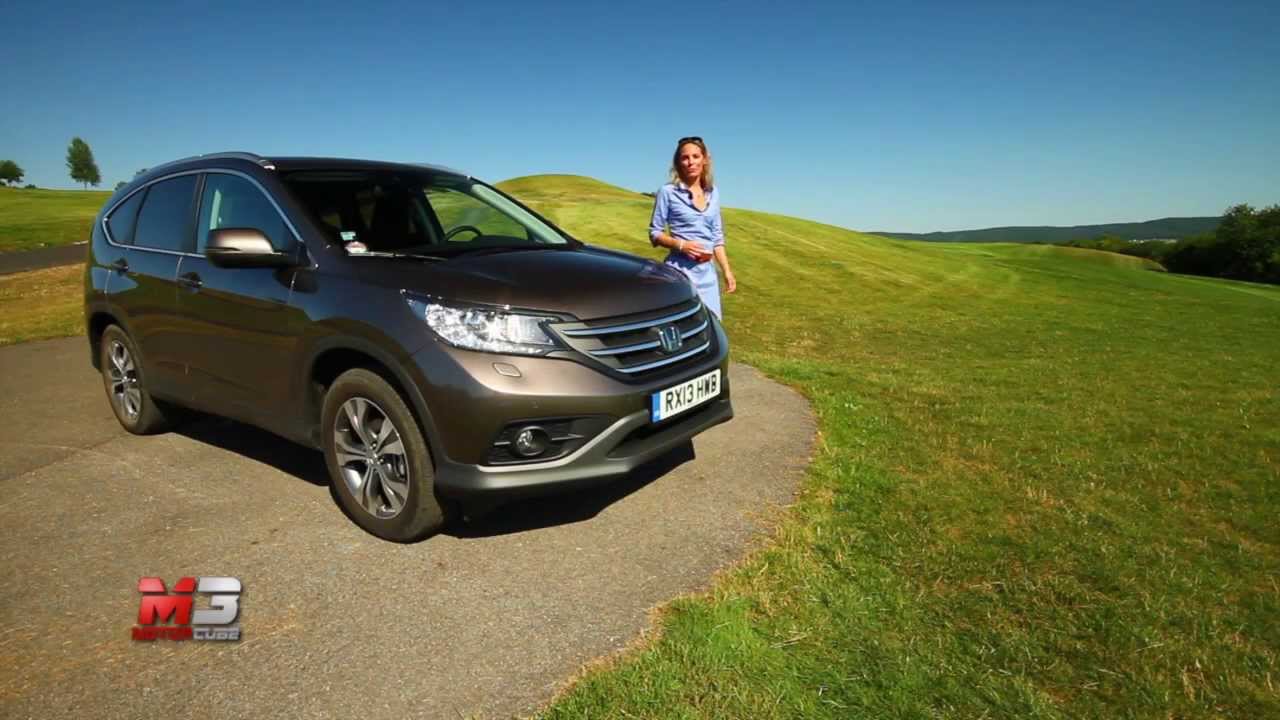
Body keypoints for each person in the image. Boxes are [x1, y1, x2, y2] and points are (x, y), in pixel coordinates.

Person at [648, 136, 736, 319]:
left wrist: (727, 271)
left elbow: (717, 237)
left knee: (712, 326)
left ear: (705, 160)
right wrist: (682, 245)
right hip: (680, 274)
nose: (690, 162)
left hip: (708, 276)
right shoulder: (668, 192)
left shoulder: (713, 192)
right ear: (678, 163)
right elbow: (654, 233)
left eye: (696, 156)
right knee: (685, 325)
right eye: (685, 158)